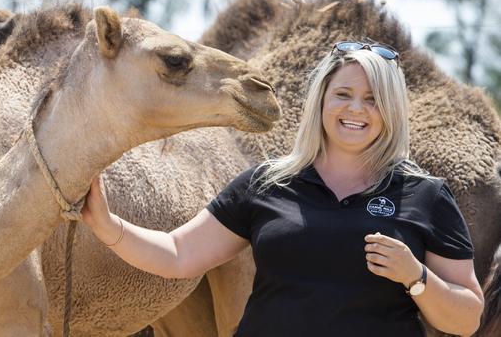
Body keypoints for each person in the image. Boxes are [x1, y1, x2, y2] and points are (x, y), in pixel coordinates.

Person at [80, 41, 484, 336]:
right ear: (321, 101)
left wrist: (415, 276)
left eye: (373, 99)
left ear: (391, 111)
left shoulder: (424, 195)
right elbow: (178, 255)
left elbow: (467, 319)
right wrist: (106, 225)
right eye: (342, 94)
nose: (355, 109)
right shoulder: (266, 184)